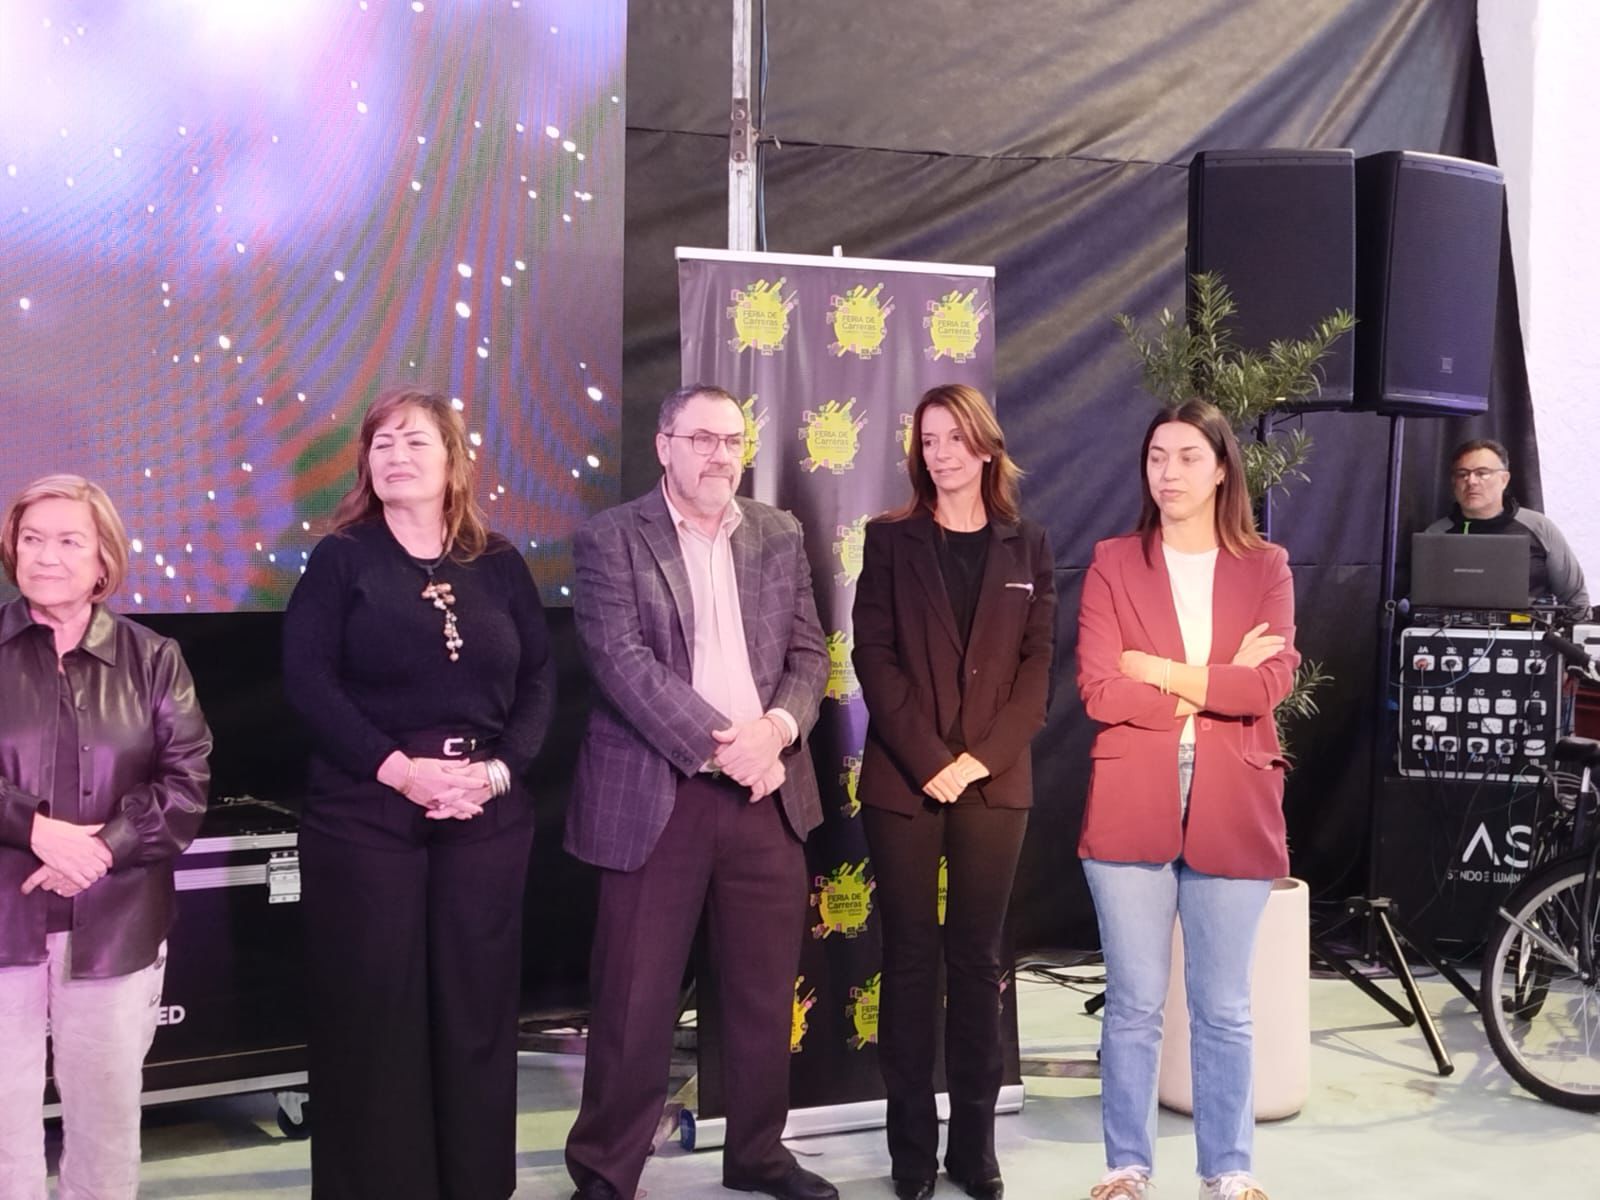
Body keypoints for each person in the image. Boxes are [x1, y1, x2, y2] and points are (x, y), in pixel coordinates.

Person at [563, 383, 835, 1200]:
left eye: (732, 441)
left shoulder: (779, 533)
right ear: (664, 446)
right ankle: (607, 1170)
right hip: (659, 796)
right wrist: (732, 746)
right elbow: (621, 664)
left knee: (761, 996)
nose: (721, 455)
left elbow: (810, 655)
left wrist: (776, 732)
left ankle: (757, 1155)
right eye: (702, 439)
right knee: (634, 998)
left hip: (767, 797)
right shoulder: (611, 538)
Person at [282, 389, 555, 1200]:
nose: (396, 456)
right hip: (365, 812)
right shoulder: (341, 559)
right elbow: (308, 680)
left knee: (475, 1012)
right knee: (376, 1012)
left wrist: (497, 772)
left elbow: (541, 678)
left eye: (415, 442)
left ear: (454, 461)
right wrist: (401, 770)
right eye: (382, 444)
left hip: (484, 812)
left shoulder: (499, 561)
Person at [1075, 399, 1299, 1200]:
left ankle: (1227, 1171)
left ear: (1222, 468)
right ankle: (1126, 1168)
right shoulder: (1112, 562)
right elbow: (1100, 689)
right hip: (1131, 794)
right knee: (1134, 1003)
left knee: (1224, 1006)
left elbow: (1267, 686)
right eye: (1156, 457)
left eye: (1187, 457)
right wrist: (1214, 679)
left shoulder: (1266, 567)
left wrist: (1159, 670)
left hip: (1234, 799)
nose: (1168, 473)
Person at [851, 384, 1056, 1200]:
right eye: (928, 441)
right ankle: (910, 1155)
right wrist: (931, 758)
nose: (940, 454)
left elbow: (1037, 671)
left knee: (978, 962)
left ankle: (975, 1151)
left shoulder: (1028, 545)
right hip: (904, 782)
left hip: (993, 786)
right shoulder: (889, 540)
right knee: (908, 961)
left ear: (987, 446)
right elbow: (873, 656)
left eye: (955, 439)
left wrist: (978, 761)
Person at [0, 474, 211, 1200]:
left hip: (115, 927)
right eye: (32, 539)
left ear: (103, 560)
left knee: (105, 1130)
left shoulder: (154, 658)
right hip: (3, 923)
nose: (46, 556)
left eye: (68, 541)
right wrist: (33, 829)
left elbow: (187, 784)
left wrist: (100, 848)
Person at [1425, 437, 1588, 614]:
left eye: (1482, 473)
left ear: (1504, 479)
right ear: (1453, 481)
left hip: (1528, 629)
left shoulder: (1539, 527)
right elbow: (1421, 601)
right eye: (1462, 474)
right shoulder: (1435, 535)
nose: (1471, 481)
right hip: (1450, 630)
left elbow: (1576, 599)